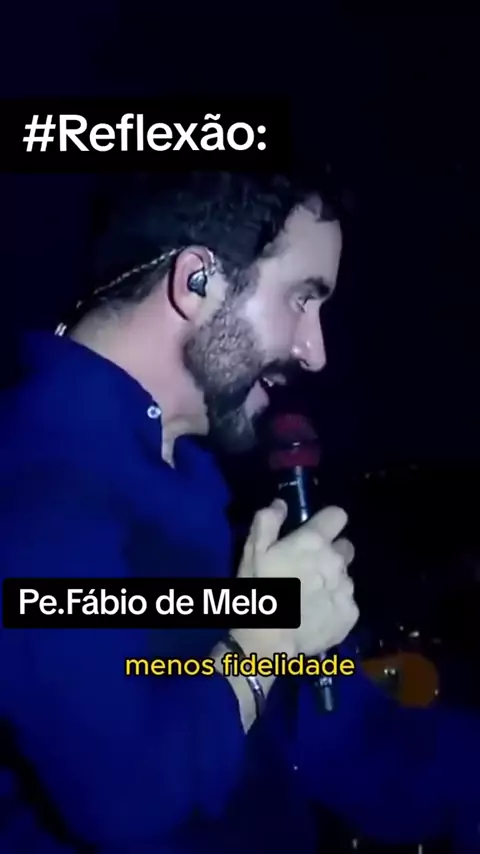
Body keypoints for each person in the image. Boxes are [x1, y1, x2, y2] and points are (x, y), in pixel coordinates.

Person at [0, 171, 478, 853]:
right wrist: (262, 648)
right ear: (196, 283)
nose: (315, 352)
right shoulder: (35, 488)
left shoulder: (190, 484)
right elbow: (127, 798)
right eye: (302, 299)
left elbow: (327, 735)